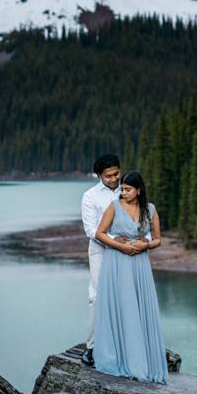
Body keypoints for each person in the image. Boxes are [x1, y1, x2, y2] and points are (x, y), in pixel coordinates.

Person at [91, 170, 168, 382]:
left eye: (127, 189)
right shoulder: (114, 206)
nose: (123, 192)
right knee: (121, 306)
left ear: (138, 190)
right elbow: (99, 233)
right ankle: (118, 356)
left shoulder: (150, 209)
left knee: (139, 307)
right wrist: (120, 247)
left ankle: (141, 359)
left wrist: (146, 244)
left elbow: (158, 239)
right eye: (122, 189)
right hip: (117, 261)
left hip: (140, 263)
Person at [79, 154, 121, 369]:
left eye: (116, 174)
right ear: (99, 176)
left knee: (125, 295)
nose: (113, 179)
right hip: (100, 251)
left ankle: (124, 344)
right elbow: (91, 230)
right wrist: (119, 242)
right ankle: (92, 346)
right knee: (97, 297)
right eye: (108, 176)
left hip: (127, 253)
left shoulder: (129, 190)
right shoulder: (90, 196)